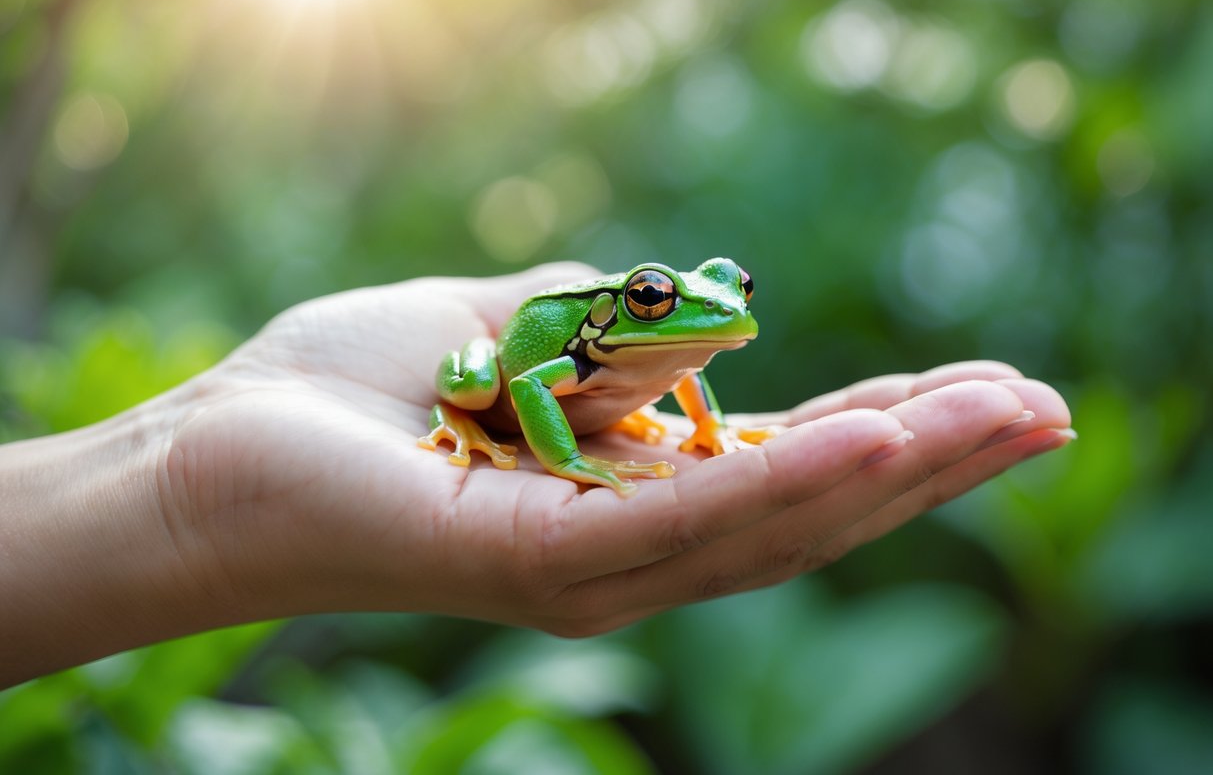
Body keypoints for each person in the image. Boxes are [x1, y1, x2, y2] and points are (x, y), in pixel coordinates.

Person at [0, 262, 1073, 688]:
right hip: (506, 387)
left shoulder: (682, 351)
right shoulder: (574, 337)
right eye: (656, 297)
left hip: (621, 386)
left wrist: (707, 433)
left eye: (723, 290)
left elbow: (686, 383)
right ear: (618, 304)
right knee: (475, 397)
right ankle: (470, 432)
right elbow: (543, 395)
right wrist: (544, 457)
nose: (697, 311)